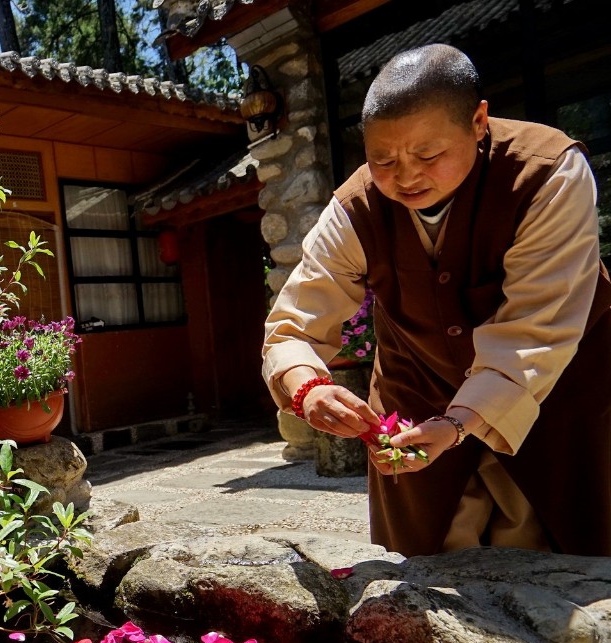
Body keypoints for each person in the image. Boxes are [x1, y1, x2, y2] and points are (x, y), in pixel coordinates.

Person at [262, 43, 611, 557]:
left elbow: (536, 327)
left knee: (562, 559)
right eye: (382, 158)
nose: (405, 176)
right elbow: (294, 323)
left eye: (428, 155)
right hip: (415, 394)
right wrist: (306, 387)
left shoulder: (548, 172)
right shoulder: (355, 207)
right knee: (426, 564)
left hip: (553, 391)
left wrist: (458, 422)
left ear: (478, 121)